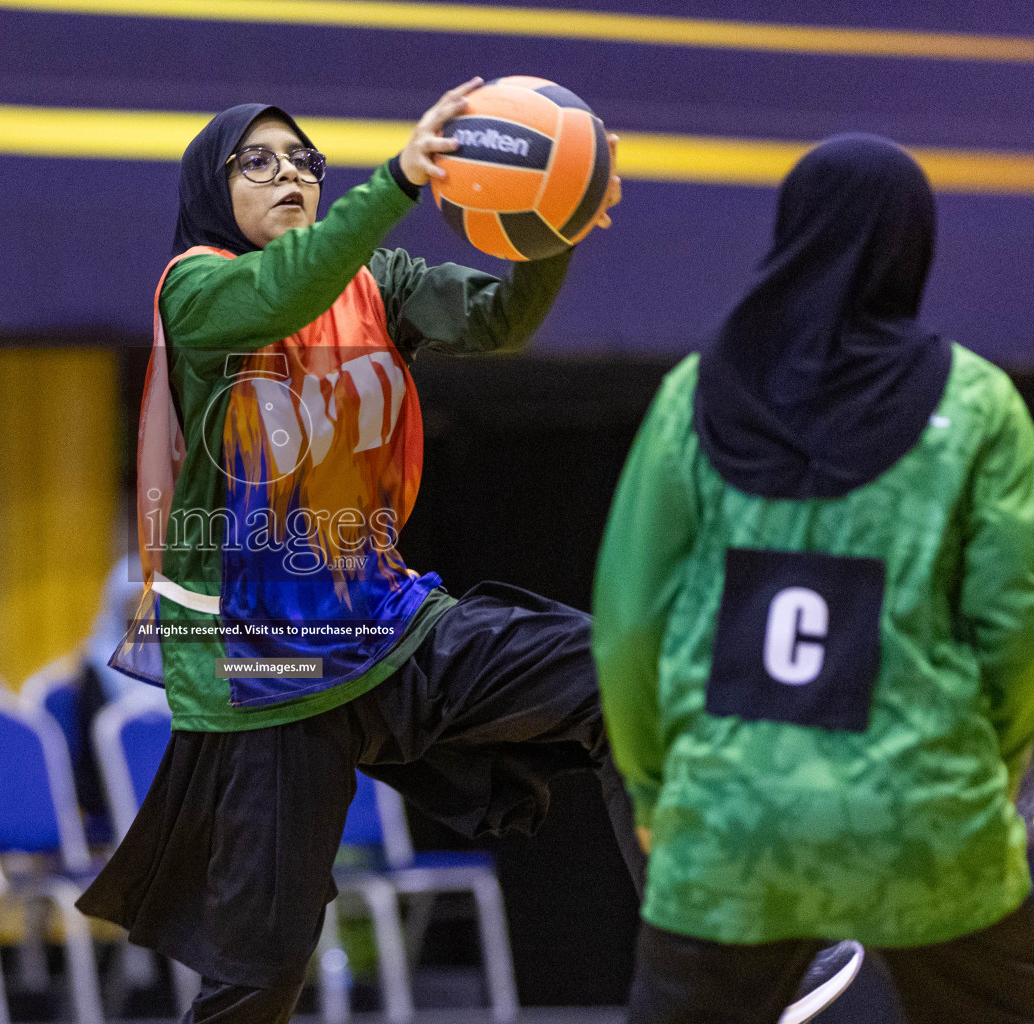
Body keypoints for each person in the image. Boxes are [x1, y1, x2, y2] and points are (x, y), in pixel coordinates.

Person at [75, 77, 643, 1024]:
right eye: (257, 161)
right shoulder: (198, 291)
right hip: (265, 665)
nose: (290, 173)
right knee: (259, 981)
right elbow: (286, 285)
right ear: (213, 192)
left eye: (304, 159)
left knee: (629, 675)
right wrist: (399, 180)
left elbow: (501, 318)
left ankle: (720, 955)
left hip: (388, 627)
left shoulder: (373, 281)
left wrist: (555, 222)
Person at [593, 135, 1034, 1024]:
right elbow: (1016, 625)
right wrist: (991, 774)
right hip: (927, 817)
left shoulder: (694, 393)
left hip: (728, 824)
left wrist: (652, 793)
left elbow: (630, 623)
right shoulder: (981, 403)